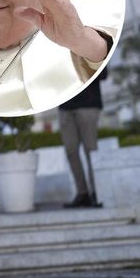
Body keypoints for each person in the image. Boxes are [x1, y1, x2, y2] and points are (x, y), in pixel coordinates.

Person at [59, 72, 106, 208]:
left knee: (90, 150)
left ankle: (96, 193)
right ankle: (83, 193)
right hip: (65, 106)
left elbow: (103, 73)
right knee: (71, 151)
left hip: (88, 104)